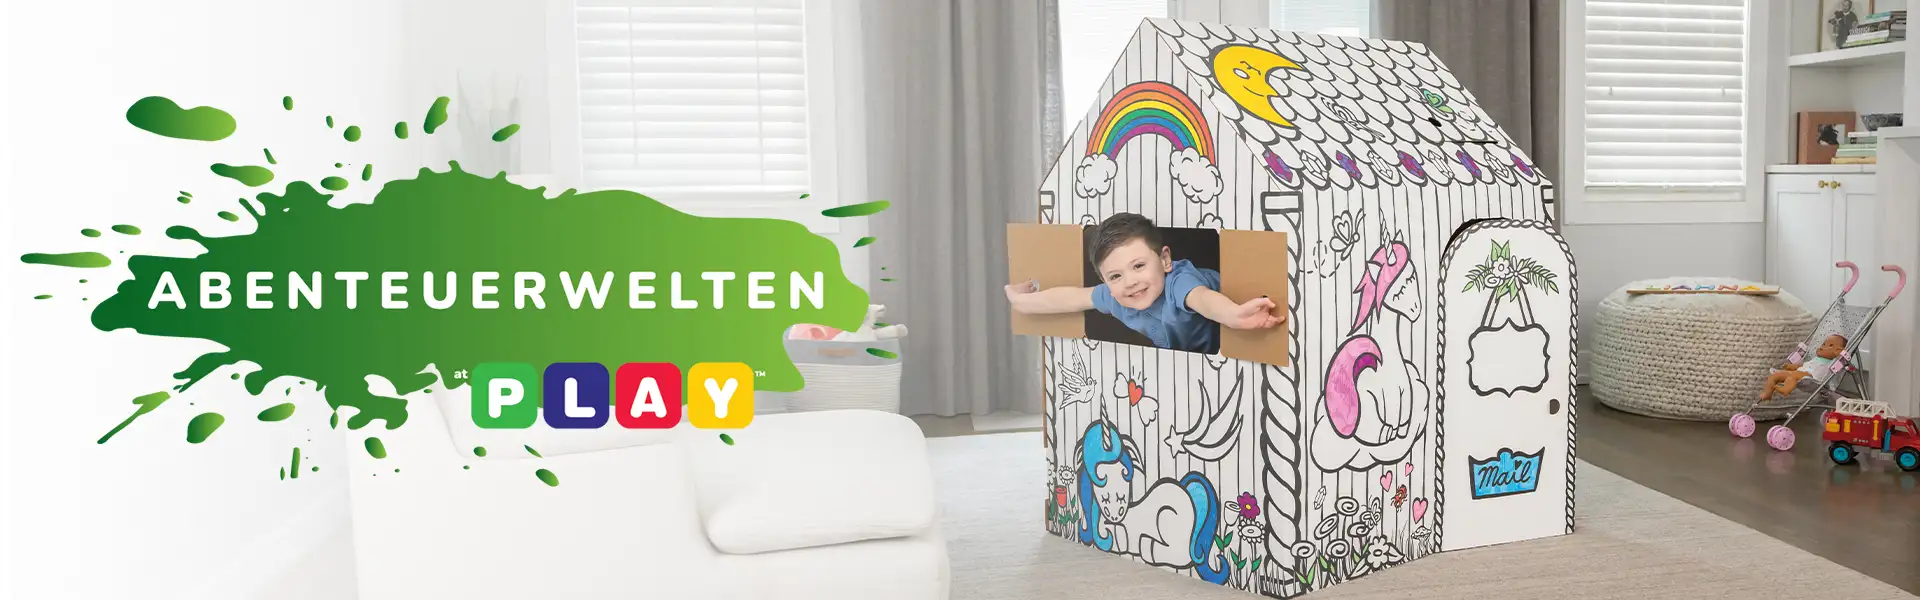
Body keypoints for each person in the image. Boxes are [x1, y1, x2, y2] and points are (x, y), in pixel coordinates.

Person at [1004, 213, 1284, 353]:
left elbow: (1202, 299)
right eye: (1115, 276)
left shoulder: (1178, 281)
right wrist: (1022, 301)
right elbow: (1072, 298)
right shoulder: (1117, 297)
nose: (1130, 282)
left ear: (1164, 260)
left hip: (1229, 337)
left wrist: (1234, 315)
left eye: (1138, 266)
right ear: (1106, 281)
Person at [1760, 334, 1847, 401]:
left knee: (1793, 376)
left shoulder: (1832, 363)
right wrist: (1793, 366)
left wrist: (1840, 354)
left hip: (1811, 379)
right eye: (1823, 344)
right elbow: (1804, 365)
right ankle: (1767, 393)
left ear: (1837, 351)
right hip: (1799, 373)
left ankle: (1786, 389)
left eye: (1830, 346)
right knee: (1774, 376)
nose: (1822, 347)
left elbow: (1841, 359)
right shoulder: (1816, 359)